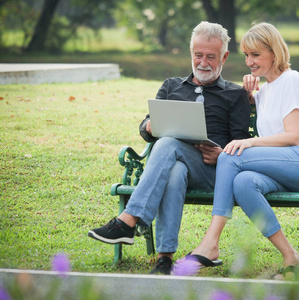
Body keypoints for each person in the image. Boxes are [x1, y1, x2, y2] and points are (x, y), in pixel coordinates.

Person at [88, 21, 251, 275]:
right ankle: (165, 259)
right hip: (174, 166)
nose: (203, 63)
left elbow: (241, 143)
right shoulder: (171, 86)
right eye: (198, 55)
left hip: (213, 171)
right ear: (191, 54)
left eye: (211, 57)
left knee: (167, 144)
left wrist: (222, 154)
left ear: (224, 57)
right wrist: (149, 126)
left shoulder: (235, 94)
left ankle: (128, 222)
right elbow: (145, 129)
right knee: (173, 169)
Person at [177, 22, 299, 279]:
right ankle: (290, 256)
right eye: (247, 55)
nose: (249, 61)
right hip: (283, 168)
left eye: (256, 54)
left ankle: (210, 243)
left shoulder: (292, 80)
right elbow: (251, 106)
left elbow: (293, 136)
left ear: (275, 52)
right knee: (243, 183)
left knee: (229, 156)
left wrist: (249, 142)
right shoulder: (265, 90)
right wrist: (249, 94)